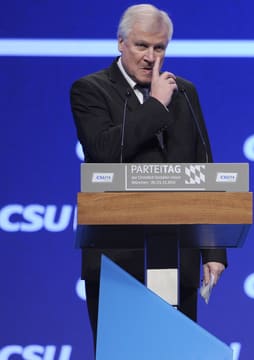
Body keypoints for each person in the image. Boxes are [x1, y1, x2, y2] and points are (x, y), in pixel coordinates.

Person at [69, 4, 226, 350]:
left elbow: (204, 168)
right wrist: (155, 106)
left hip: (176, 254)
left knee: (176, 352)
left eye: (160, 48)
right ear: (121, 43)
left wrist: (213, 249)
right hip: (118, 262)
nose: (151, 57)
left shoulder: (184, 93)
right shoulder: (90, 90)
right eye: (142, 46)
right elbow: (104, 152)